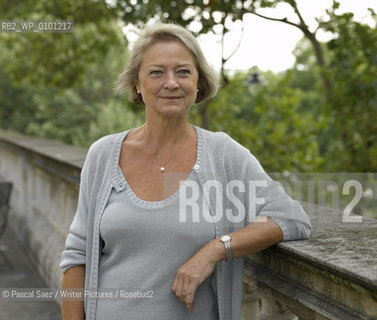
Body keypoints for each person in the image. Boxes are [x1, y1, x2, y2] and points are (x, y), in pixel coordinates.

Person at [60, 22, 311, 320]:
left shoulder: (224, 155)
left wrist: (216, 249)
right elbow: (78, 256)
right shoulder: (103, 155)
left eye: (183, 71)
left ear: (198, 83)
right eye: (156, 72)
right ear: (137, 84)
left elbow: (292, 219)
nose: (171, 83)